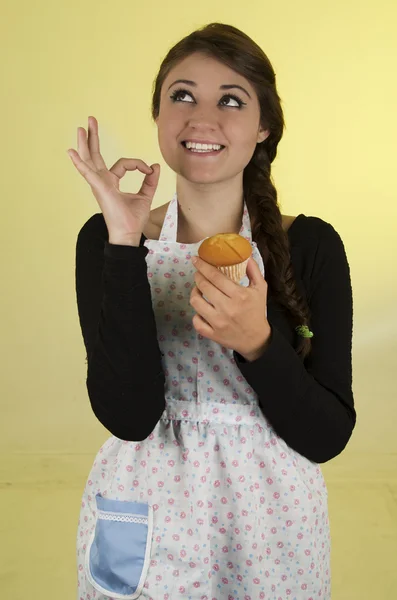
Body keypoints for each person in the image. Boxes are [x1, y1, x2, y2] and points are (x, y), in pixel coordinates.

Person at [68, 22, 355, 600]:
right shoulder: (110, 240)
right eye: (182, 95)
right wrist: (124, 243)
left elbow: (327, 435)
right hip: (145, 514)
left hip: (271, 524)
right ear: (158, 117)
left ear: (264, 126)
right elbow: (129, 416)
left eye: (231, 99)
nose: (202, 117)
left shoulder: (311, 247)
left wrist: (259, 344)